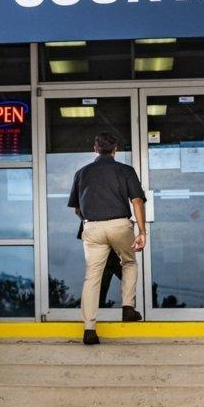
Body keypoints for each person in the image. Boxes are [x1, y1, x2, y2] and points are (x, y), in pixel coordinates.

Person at [66, 131, 147, 344]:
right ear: (115, 150)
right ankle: (128, 308)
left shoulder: (81, 173)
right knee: (129, 262)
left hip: (92, 227)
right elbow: (137, 201)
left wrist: (92, 218)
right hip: (120, 225)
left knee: (92, 277)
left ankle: (89, 329)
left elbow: (77, 209)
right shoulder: (125, 170)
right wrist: (142, 231)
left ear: (95, 149)